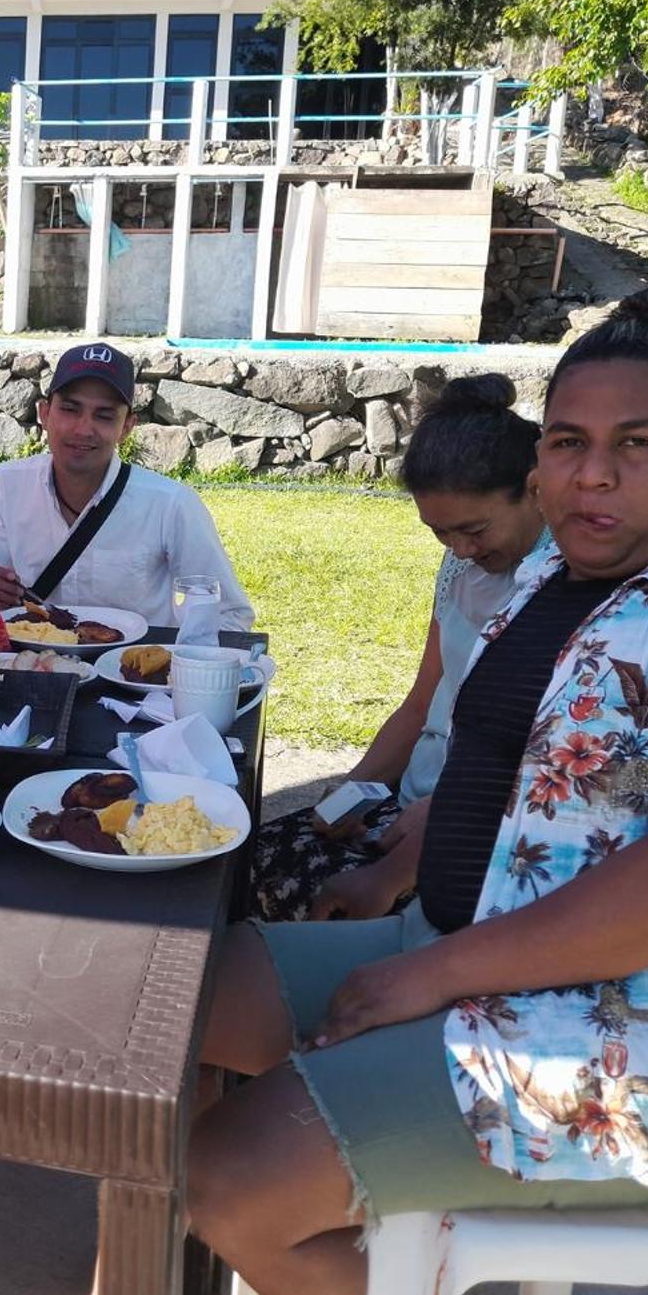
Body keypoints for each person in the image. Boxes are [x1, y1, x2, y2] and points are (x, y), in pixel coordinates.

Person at [35, 290, 648, 1295]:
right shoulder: (557, 579)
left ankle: (358, 1291)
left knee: (231, 1170)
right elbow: (495, 773)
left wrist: (422, 975)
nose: (591, 474)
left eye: (636, 445)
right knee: (167, 1014)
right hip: (468, 935)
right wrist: (393, 881)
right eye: (567, 443)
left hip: (628, 1037)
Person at [251, 373, 546, 920]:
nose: (459, 548)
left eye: (475, 529)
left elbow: (538, 770)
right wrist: (349, 792)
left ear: (534, 489)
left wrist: (430, 826)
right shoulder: (461, 564)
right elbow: (421, 703)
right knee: (242, 862)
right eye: (440, 533)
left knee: (304, 904)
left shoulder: (560, 586)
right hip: (405, 804)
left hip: (478, 828)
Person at [0, 342, 254, 630]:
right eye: (70, 409)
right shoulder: (6, 486)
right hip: (32, 669)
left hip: (131, 678)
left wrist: (171, 669)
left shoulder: (170, 504)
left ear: (126, 428)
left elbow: (228, 616)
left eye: (104, 416)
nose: (83, 429)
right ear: (44, 414)